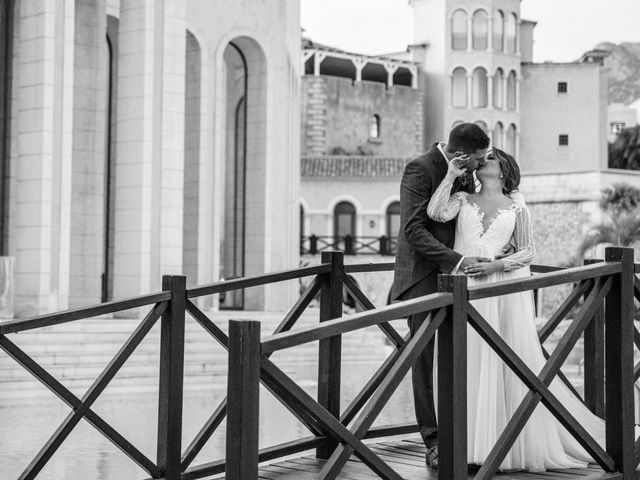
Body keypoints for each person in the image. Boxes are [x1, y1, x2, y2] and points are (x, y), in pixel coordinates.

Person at [426, 147, 606, 471]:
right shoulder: (463, 198)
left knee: (500, 363)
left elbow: (527, 252)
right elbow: (436, 213)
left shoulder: (517, 207)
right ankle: (464, 444)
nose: (482, 161)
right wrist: (451, 175)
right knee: (465, 362)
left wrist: (495, 265)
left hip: (496, 291)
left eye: (490, 157)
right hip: (461, 286)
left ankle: (499, 444)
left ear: (504, 168)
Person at [390, 123, 492, 468]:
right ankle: (432, 440)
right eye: (477, 160)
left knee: (463, 355)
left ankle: (464, 433)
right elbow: (413, 229)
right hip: (422, 277)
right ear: (461, 153)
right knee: (425, 361)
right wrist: (458, 260)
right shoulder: (420, 168)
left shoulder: (466, 173)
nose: (480, 166)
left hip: (460, 279)